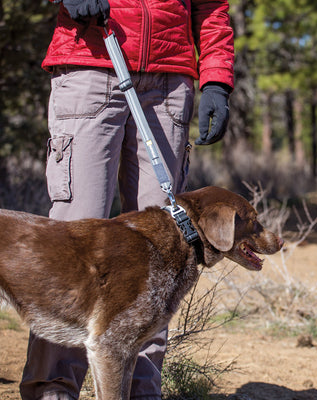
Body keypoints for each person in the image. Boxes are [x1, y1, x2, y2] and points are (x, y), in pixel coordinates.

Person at [20, 0, 234, 399]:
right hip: (92, 59)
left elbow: (212, 7)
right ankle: (53, 390)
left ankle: (140, 392)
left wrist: (217, 79)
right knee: (71, 246)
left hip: (169, 84)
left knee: (164, 251)